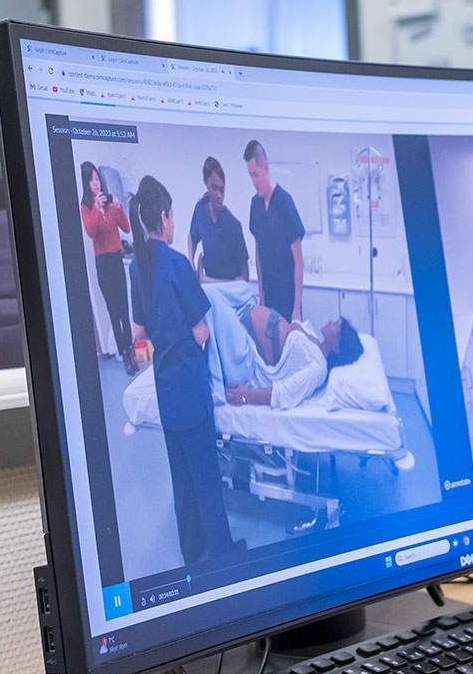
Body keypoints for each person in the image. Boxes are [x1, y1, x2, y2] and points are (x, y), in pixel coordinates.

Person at [126, 174, 243, 570]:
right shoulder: (178, 265)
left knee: (181, 477)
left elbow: (139, 334)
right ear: (164, 217)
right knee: (206, 475)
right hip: (191, 387)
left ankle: (192, 552)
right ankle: (223, 553)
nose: (174, 222)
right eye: (172, 216)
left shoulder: (137, 267)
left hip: (165, 386)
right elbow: (202, 332)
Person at [208, 300, 363, 410]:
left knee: (211, 298)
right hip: (244, 320)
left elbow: (284, 393)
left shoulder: (318, 368)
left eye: (336, 325)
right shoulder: (315, 338)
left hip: (247, 355)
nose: (331, 322)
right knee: (225, 292)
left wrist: (244, 396)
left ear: (337, 348)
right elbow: (295, 323)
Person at [78, 161, 135, 374]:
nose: (96, 183)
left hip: (116, 259)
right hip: (103, 263)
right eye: (91, 180)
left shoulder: (111, 203)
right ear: (86, 183)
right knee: (113, 310)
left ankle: (131, 350)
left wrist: (119, 208)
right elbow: (91, 231)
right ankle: (124, 353)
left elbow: (126, 228)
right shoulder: (86, 206)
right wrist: (96, 208)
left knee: (124, 308)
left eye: (97, 178)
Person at [243, 139, 304, 322]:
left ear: (266, 167)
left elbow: (299, 262)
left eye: (256, 175)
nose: (254, 181)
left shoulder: (285, 202)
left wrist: (296, 309)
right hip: (268, 297)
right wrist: (261, 295)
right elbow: (258, 254)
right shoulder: (255, 205)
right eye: (250, 176)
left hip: (288, 297)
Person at [187, 155, 255, 317]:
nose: (219, 195)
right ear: (206, 185)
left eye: (222, 190)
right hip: (210, 292)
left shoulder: (233, 226)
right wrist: (191, 261)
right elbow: (192, 236)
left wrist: (206, 280)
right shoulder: (200, 209)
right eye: (214, 188)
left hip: (230, 293)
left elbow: (244, 278)